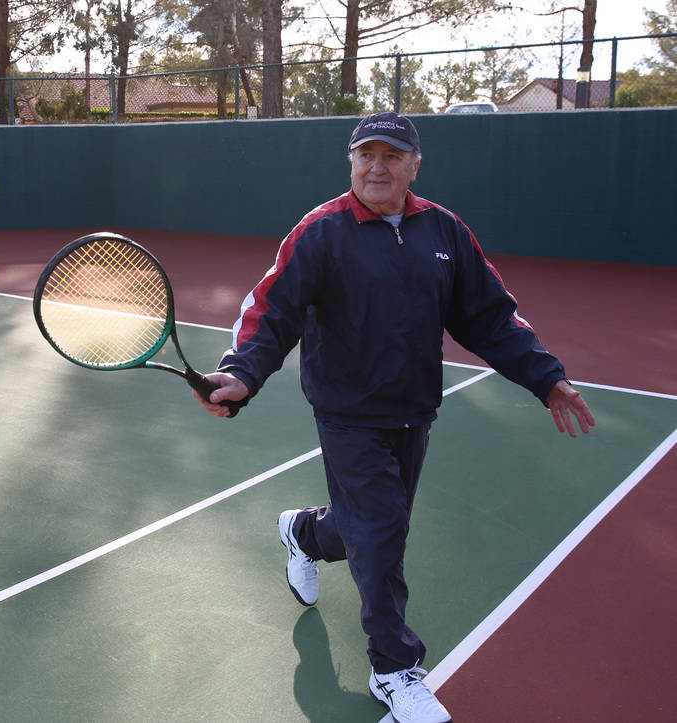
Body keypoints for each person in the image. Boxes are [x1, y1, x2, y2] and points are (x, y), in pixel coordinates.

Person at [193, 112, 595, 723]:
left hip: (413, 409)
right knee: (381, 533)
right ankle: (394, 668)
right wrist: (242, 373)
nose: (376, 167)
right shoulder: (321, 232)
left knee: (368, 527)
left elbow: (490, 315)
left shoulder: (444, 230)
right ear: (351, 161)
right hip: (346, 411)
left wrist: (546, 377)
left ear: (414, 165)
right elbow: (271, 312)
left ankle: (304, 533)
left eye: (391, 155)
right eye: (366, 154)